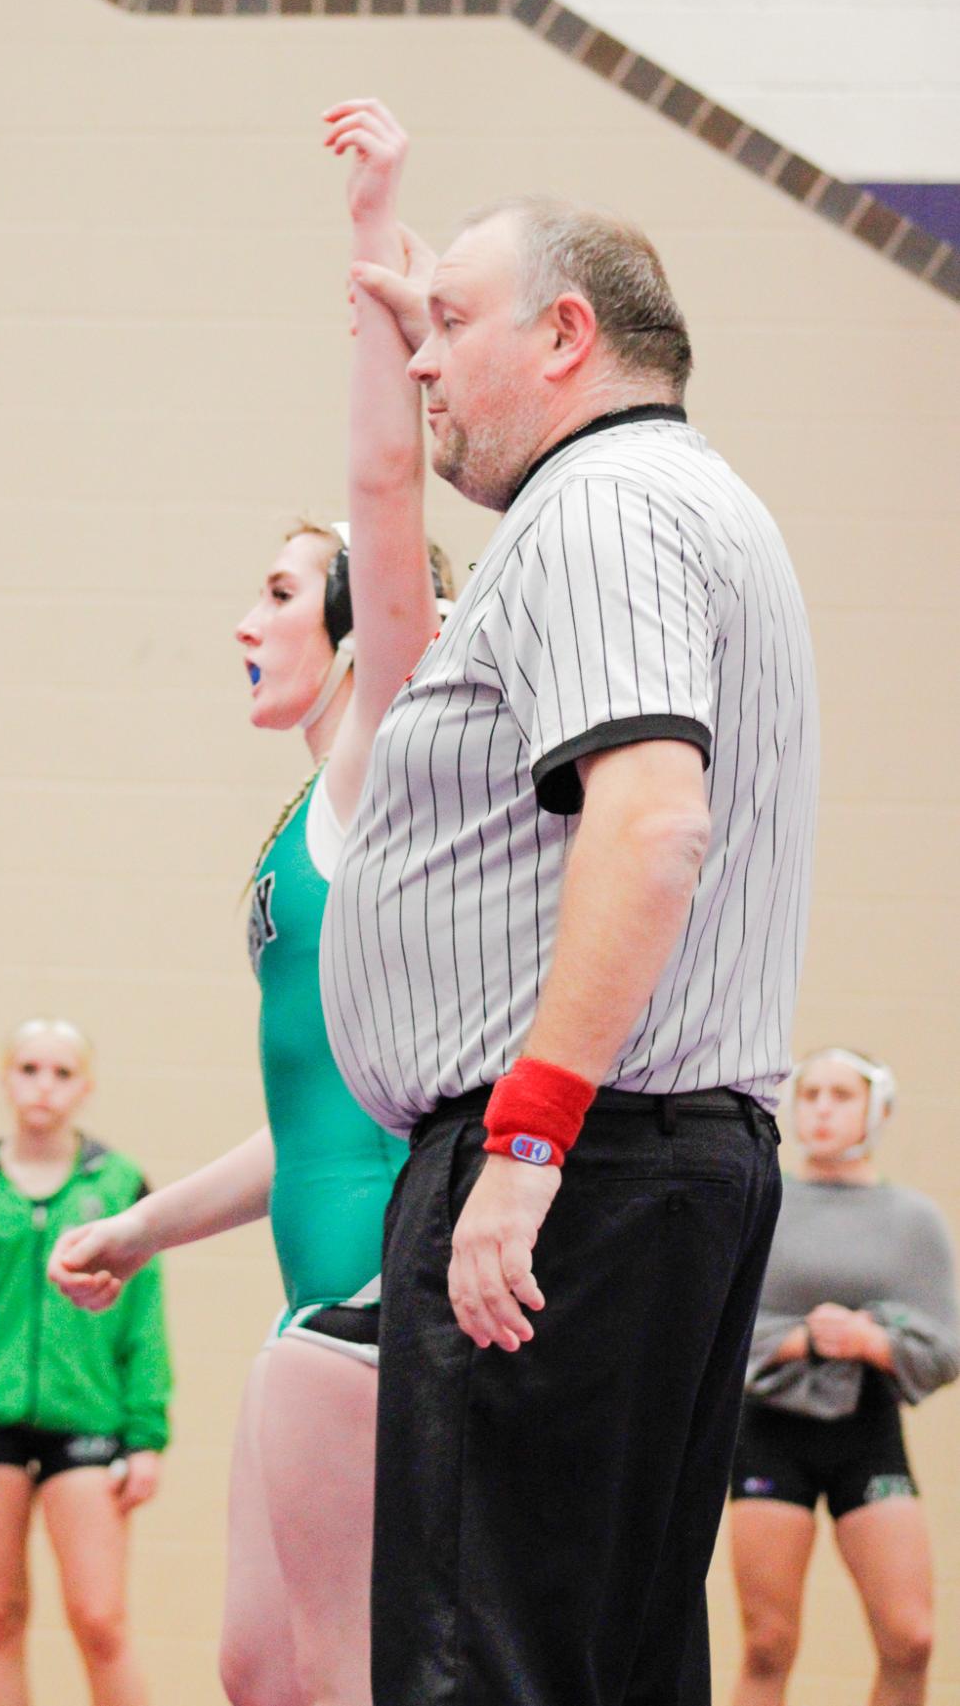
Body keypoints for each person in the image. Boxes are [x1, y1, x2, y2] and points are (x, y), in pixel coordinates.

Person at [320, 186, 820, 1706]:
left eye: (453, 322)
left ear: (566, 335)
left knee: (487, 1668)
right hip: (642, 1167)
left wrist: (528, 1145)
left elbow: (653, 819)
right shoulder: (685, 501)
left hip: (573, 1168)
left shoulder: (603, 508)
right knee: (598, 1665)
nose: (425, 360)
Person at [48, 101, 450, 1706]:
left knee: (346, 1684)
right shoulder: (308, 821)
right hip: (309, 1298)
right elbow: (322, 1109)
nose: (242, 619)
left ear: (359, 635)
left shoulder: (376, 756)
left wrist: (372, 237)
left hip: (372, 1301)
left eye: (279, 591)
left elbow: (383, 496)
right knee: (252, 1674)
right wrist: (144, 1229)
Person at [0, 1016, 171, 1706]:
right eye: (29, 1068)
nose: (44, 1085)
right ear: (6, 1076)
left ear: (86, 1086)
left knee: (101, 1621)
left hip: (88, 1421)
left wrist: (147, 1434)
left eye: (62, 1071)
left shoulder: (123, 1186)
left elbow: (146, 1322)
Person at [729, 1047, 959, 1706]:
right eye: (811, 1094)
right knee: (769, 1642)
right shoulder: (761, 1200)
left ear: (876, 1110)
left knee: (910, 1636)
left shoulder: (913, 1221)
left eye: (841, 1095)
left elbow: (945, 1346)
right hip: (770, 1433)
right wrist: (797, 1340)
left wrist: (872, 1339)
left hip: (867, 1430)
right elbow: (721, 1330)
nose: (822, 1108)